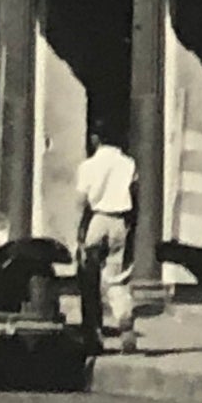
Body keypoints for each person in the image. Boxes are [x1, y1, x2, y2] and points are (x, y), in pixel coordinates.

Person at [74, 123, 138, 351]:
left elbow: (81, 202)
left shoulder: (88, 166)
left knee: (88, 278)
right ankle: (124, 318)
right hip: (119, 221)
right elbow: (134, 194)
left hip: (96, 220)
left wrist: (80, 232)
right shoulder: (128, 164)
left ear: (95, 139)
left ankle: (93, 333)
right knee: (116, 277)